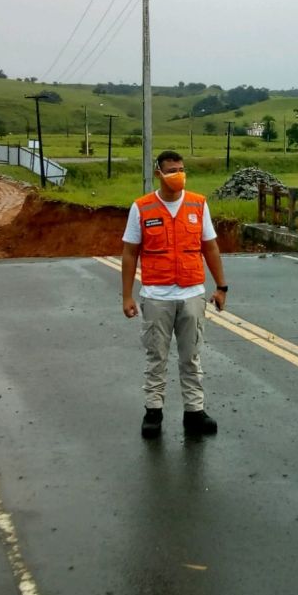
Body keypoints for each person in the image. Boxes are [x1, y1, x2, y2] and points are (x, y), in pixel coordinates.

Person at [121, 150, 228, 439]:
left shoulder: (198, 204)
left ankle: (195, 412)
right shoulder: (142, 208)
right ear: (159, 173)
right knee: (156, 356)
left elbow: (211, 248)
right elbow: (130, 253)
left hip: (192, 294)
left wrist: (221, 286)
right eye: (171, 170)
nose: (177, 174)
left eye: (181, 169)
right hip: (156, 296)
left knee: (191, 356)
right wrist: (127, 296)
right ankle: (153, 411)